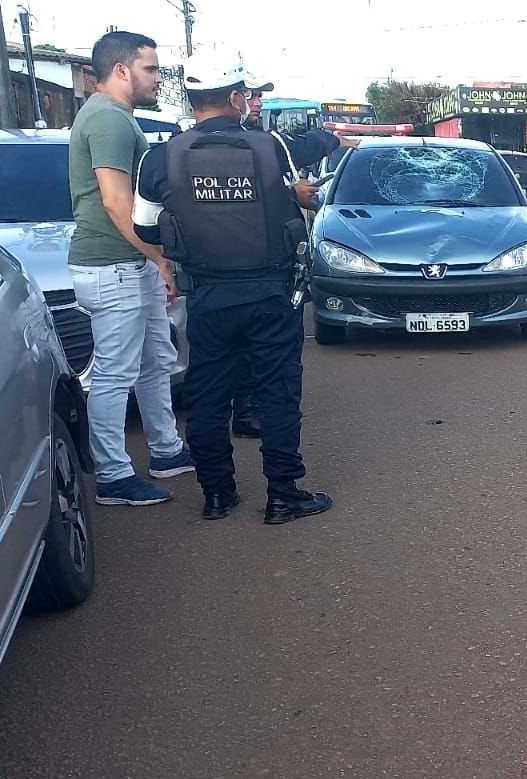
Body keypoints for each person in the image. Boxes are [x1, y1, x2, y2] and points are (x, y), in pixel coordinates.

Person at [132, 52, 333, 524]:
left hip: (206, 295)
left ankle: (218, 494)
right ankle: (283, 494)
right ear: (236, 97)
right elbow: (289, 200)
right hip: (270, 293)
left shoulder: (160, 156)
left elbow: (145, 228)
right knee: (278, 392)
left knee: (207, 395)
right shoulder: (270, 147)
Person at [69, 30, 194, 506]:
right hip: (114, 264)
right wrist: (161, 260)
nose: (159, 79)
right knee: (115, 373)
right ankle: (113, 475)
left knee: (155, 361)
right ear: (121, 70)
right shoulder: (108, 120)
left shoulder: (113, 117)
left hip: (128, 263)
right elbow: (117, 202)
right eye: (151, 69)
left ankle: (165, 450)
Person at [228, 87, 343, 439]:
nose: (258, 102)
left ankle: (238, 431)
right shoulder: (265, 144)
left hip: (220, 269)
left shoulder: (182, 147)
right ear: (233, 98)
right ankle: (280, 481)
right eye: (251, 95)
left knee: (234, 356)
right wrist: (292, 194)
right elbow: (252, 198)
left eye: (260, 96)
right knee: (273, 360)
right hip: (257, 266)